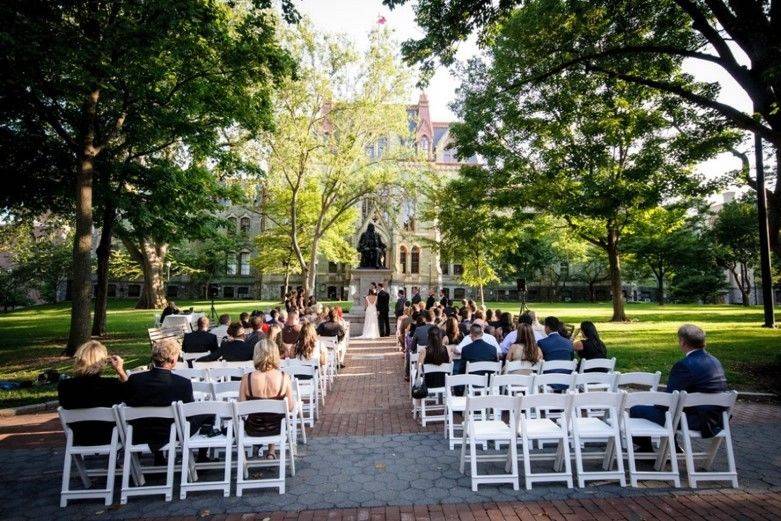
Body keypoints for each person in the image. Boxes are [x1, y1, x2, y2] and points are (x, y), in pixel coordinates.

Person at [631, 324, 729, 451]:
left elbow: (670, 400)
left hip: (696, 421)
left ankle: (646, 450)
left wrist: (654, 403)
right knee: (674, 410)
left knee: (636, 410)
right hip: (718, 418)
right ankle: (673, 448)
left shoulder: (684, 365)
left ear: (682, 342)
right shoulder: (715, 361)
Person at [125, 338, 200, 463]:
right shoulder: (183, 383)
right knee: (206, 414)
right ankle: (202, 457)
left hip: (139, 432)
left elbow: (128, 402)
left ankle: (159, 457)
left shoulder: (135, 379)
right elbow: (188, 413)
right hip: (171, 432)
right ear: (172, 360)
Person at [58, 341, 128, 445]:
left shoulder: (65, 386)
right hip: (109, 436)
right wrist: (120, 371)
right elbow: (131, 394)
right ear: (103, 362)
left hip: (78, 437)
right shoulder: (111, 385)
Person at [239, 339, 295, 459]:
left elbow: (242, 409)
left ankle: (268, 450)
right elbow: (290, 407)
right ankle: (271, 450)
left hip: (253, 428)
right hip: (277, 428)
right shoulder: (284, 377)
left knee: (264, 415)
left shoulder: (246, 378)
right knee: (273, 415)